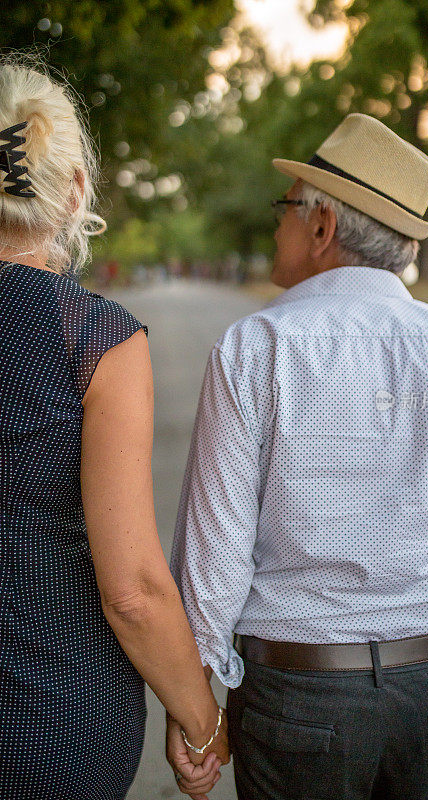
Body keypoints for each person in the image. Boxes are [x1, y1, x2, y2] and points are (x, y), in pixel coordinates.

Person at [170, 113, 428, 799]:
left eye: (285, 208)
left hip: (300, 693)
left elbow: (213, 562)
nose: (273, 224)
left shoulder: (256, 349)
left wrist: (192, 709)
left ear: (320, 228)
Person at [0, 58, 228, 800]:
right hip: (50, 724)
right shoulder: (93, 338)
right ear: (73, 191)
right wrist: (200, 720)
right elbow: (132, 591)